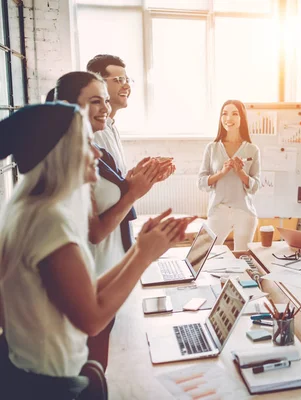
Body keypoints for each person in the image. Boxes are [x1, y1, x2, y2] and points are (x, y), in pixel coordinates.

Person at [0, 103, 193, 399]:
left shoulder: (27, 207)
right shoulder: (49, 221)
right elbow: (91, 319)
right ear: (59, 151)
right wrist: (143, 257)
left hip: (28, 374)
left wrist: (140, 248)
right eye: (86, 143)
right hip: (48, 387)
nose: (98, 154)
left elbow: (84, 294)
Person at [53, 71, 163, 370]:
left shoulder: (96, 152)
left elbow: (111, 194)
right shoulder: (69, 161)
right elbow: (94, 231)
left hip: (108, 268)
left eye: (105, 101)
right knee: (94, 365)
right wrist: (133, 195)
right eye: (95, 101)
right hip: (94, 272)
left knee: (103, 366)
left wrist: (134, 182)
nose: (105, 108)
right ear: (70, 107)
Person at [86, 54, 175, 178]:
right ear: (98, 85)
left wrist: (145, 173)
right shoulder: (94, 131)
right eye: (119, 80)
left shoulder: (111, 127)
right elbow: (107, 190)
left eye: (127, 80)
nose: (127, 86)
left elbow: (117, 178)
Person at [197, 100, 261, 251]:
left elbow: (255, 187)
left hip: (244, 212)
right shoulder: (211, 148)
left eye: (234, 113)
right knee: (204, 253)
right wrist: (221, 173)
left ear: (242, 118)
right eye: (224, 114)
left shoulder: (252, 150)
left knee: (243, 259)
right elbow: (201, 182)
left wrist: (240, 172)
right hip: (218, 209)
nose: (228, 118)